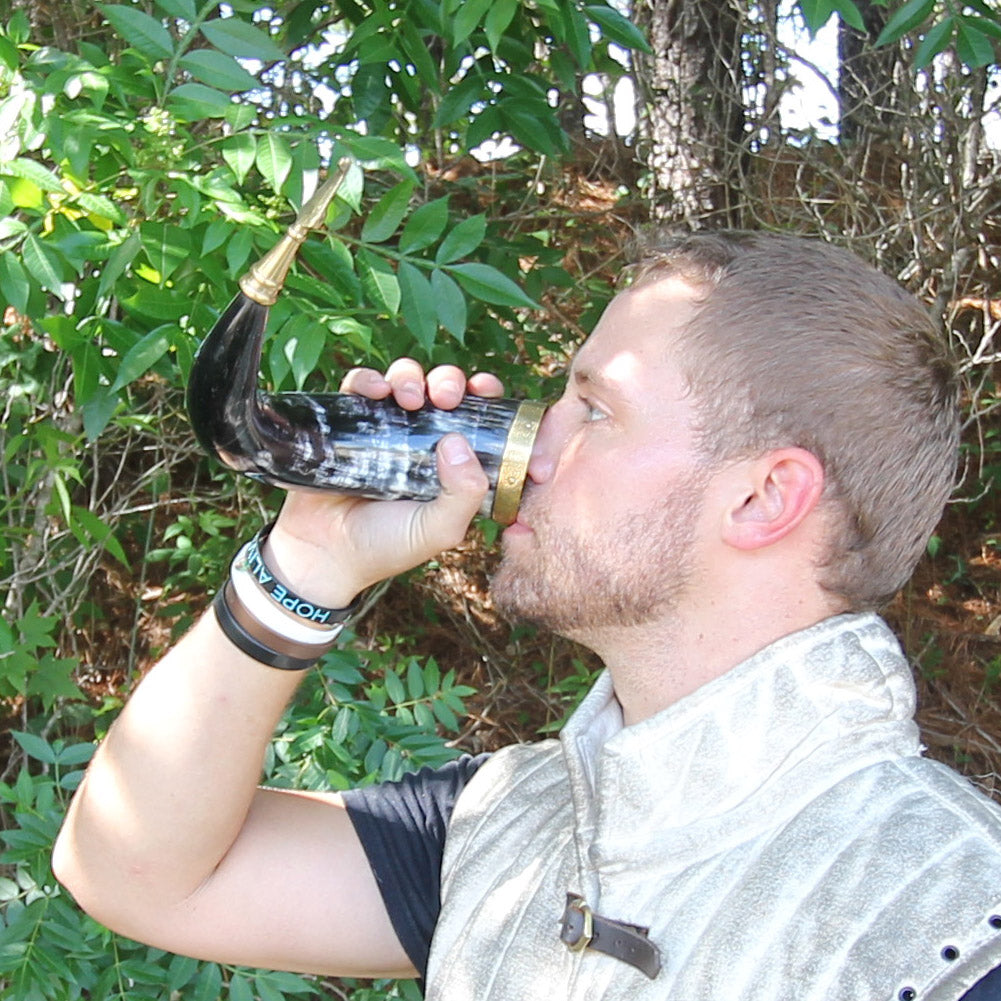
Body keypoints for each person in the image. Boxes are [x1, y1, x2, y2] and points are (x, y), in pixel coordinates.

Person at [53, 231, 1001, 1000]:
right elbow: (134, 871)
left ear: (761, 499)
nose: (533, 441)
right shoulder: (505, 823)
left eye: (593, 409)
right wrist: (306, 561)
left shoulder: (947, 921)